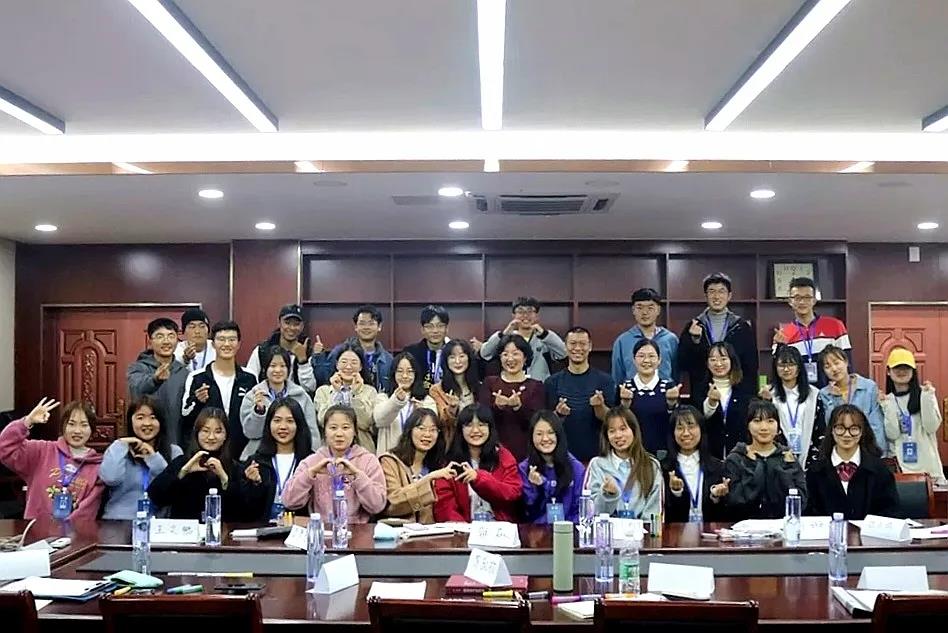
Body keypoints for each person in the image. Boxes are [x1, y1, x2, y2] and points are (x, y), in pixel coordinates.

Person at [0, 398, 103, 523]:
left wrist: (65, 530)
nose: (77, 430)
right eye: (71, 424)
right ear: (63, 426)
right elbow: (4, 447)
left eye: (84, 425)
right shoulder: (41, 451)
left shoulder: (97, 466)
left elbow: (87, 511)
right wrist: (27, 421)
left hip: (73, 532)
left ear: (92, 429)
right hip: (36, 531)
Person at [282, 405, 387, 522]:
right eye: (333, 428)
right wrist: (310, 474)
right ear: (325, 432)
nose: (339, 434)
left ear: (355, 432)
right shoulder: (312, 461)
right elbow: (289, 501)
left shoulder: (368, 461)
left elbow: (378, 505)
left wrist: (357, 476)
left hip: (358, 529)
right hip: (322, 528)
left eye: (345, 428)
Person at [147, 407, 244, 520]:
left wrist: (224, 478)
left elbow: (243, 510)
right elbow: (156, 496)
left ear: (225, 436)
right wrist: (183, 472)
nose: (211, 437)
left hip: (221, 529)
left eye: (218, 432)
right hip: (185, 529)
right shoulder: (181, 462)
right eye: (205, 431)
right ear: (197, 433)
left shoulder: (235, 467)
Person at [805, 404, 899, 519]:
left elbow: (890, 511)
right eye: (840, 428)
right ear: (832, 431)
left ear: (862, 431)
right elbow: (810, 515)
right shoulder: (816, 470)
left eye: (854, 429)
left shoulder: (879, 470)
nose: (847, 434)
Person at [433, 404, 522, 522]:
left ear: (490, 428)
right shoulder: (450, 462)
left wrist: (479, 478)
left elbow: (513, 493)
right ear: (460, 429)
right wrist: (464, 529)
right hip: (462, 528)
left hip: (498, 527)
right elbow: (445, 508)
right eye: (469, 425)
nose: (475, 430)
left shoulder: (503, 456)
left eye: (481, 425)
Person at [181, 321, 257, 459]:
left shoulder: (249, 378)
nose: (227, 344)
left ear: (239, 344)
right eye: (221, 339)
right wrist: (197, 401)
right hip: (205, 452)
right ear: (213, 344)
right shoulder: (197, 377)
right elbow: (185, 417)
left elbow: (253, 417)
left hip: (241, 453)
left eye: (232, 340)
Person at [100, 395, 182, 520]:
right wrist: (120, 444)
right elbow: (110, 478)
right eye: (140, 417)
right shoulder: (119, 449)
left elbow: (173, 489)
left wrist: (153, 458)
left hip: (159, 523)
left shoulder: (174, 452)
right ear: (130, 421)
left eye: (153, 418)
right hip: (119, 519)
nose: (147, 423)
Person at [723, 399, 807, 520]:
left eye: (770, 421)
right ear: (747, 425)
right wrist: (753, 467)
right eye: (757, 421)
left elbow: (801, 500)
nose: (764, 427)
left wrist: (785, 471)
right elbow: (734, 500)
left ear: (778, 426)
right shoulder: (736, 459)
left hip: (782, 525)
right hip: (744, 527)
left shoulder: (788, 457)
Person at [678, 273, 758, 397]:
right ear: (706, 296)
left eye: (721, 291)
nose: (716, 297)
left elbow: (751, 366)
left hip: (736, 392)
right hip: (703, 392)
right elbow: (683, 363)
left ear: (729, 296)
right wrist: (695, 342)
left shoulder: (741, 327)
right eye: (712, 292)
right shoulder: (694, 326)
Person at [544, 326, 616, 463]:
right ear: (565, 347)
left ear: (590, 347)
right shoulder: (552, 382)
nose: (577, 348)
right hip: (562, 457)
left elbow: (611, 420)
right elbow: (546, 423)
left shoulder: (605, 380)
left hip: (598, 457)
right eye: (573, 343)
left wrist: (599, 407)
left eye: (582, 344)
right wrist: (559, 414)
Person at [240, 345, 320, 460]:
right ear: (265, 369)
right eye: (273, 366)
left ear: (288, 369)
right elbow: (250, 433)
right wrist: (259, 412)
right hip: (261, 456)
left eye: (282, 366)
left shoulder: (301, 396)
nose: (277, 370)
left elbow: (312, 432)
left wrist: (313, 458)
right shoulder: (253, 396)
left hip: (296, 456)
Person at [241, 397, 315, 523]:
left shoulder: (311, 461)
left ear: (299, 424)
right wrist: (254, 484)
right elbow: (246, 510)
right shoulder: (256, 462)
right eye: (277, 420)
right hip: (264, 530)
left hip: (299, 529)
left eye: (290, 421)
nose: (283, 427)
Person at [379, 408, 457, 523]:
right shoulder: (390, 461)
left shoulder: (439, 465)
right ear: (409, 430)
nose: (427, 434)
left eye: (433, 430)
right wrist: (428, 479)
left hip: (430, 531)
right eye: (421, 428)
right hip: (399, 530)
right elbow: (393, 503)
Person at [881, 348, 946, 484]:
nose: (901, 371)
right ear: (888, 371)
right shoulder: (888, 400)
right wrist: (887, 406)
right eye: (897, 367)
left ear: (913, 371)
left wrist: (927, 398)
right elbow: (892, 434)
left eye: (906, 367)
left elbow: (931, 427)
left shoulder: (925, 394)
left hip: (930, 469)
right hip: (902, 470)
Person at [584, 406, 662, 518]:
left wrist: (642, 528)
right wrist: (608, 495)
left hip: (641, 528)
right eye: (612, 431)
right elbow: (592, 512)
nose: (618, 435)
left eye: (623, 429)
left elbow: (654, 510)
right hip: (607, 527)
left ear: (634, 430)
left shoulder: (651, 465)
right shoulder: (597, 465)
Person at [772, 277, 850, 388]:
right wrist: (779, 347)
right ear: (790, 301)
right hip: (801, 393)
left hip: (832, 392)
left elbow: (847, 363)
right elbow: (780, 370)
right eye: (797, 298)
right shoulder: (783, 334)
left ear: (814, 300)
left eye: (807, 297)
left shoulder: (835, 326)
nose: (802, 302)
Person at [478, 334, 545, 460]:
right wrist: (497, 407)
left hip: (526, 454)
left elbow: (538, 423)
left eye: (515, 354)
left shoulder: (536, 386)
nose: (510, 358)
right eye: (505, 354)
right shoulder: (490, 383)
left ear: (525, 357)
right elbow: (481, 419)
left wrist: (518, 407)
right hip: (494, 453)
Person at [758, 346, 826, 469]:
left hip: (810, 458)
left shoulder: (814, 394)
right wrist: (766, 402)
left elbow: (820, 429)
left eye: (791, 364)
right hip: (777, 459)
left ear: (799, 368)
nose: (786, 369)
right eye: (781, 365)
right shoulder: (769, 394)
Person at [661, 406, 730, 523]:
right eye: (680, 428)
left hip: (708, 531)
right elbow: (664, 510)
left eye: (691, 426)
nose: (686, 433)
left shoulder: (717, 466)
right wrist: (676, 492)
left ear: (701, 429)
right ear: (673, 433)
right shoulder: (664, 468)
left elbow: (724, 513)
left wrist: (716, 496)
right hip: (676, 532)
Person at [127, 317, 188, 446]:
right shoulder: (138, 368)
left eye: (171, 336)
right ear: (150, 341)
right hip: (145, 440)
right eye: (160, 336)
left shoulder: (184, 372)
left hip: (176, 441)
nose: (166, 341)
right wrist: (155, 379)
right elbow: (137, 387)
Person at [476, 297, 566, 381]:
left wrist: (544, 335)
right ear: (513, 315)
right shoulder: (507, 338)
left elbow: (564, 353)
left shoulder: (546, 338)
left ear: (537, 315)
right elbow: (485, 354)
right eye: (520, 311)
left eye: (530, 311)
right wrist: (503, 334)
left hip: (540, 386)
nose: (525, 315)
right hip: (511, 385)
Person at [518, 411, 585, 524]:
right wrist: (537, 487)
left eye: (550, 432)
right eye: (539, 434)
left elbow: (580, 509)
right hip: (536, 531)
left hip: (569, 529)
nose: (545, 438)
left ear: (558, 435)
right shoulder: (524, 468)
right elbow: (527, 512)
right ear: (531, 437)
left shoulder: (576, 467)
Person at [618, 339, 681, 457]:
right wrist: (625, 405)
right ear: (634, 360)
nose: (646, 360)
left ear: (659, 360)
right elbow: (618, 423)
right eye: (641, 356)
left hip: (662, 453)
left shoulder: (669, 387)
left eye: (651, 356)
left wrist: (671, 404)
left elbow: (675, 423)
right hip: (631, 453)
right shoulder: (624, 388)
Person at [818, 345, 885, 454]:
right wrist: (837, 398)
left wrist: (876, 453)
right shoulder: (824, 394)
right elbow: (830, 425)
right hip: (841, 452)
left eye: (836, 363)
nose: (834, 369)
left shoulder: (868, 387)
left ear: (846, 362)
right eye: (827, 366)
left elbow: (876, 424)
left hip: (867, 450)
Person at [312, 304, 393, 393]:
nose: (366, 327)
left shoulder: (388, 360)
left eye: (371, 323)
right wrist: (318, 355)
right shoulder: (340, 352)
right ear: (355, 327)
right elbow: (323, 379)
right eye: (362, 323)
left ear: (379, 326)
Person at [313, 344, 379, 453]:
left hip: (363, 450)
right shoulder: (323, 391)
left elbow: (365, 422)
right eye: (344, 362)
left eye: (354, 363)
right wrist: (336, 393)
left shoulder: (370, 391)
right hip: (331, 452)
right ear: (337, 365)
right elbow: (322, 421)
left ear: (361, 367)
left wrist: (355, 394)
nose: (348, 367)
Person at [373, 352, 437, 455]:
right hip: (390, 457)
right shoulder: (383, 398)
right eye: (400, 371)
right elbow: (380, 421)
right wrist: (396, 401)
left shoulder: (426, 400)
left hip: (418, 456)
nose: (405, 376)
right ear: (393, 374)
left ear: (416, 374)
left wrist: (422, 413)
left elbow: (433, 427)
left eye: (410, 371)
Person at [697, 342, 752, 458]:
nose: (718, 364)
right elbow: (698, 420)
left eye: (723, 359)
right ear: (707, 363)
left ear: (732, 361)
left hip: (740, 455)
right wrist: (711, 403)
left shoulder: (743, 389)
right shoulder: (700, 388)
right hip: (710, 455)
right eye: (713, 360)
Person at [244, 304, 317, 393]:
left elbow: (310, 388)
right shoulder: (262, 350)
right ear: (279, 323)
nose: (292, 328)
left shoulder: (308, 351)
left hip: (296, 399)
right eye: (287, 323)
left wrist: (303, 361)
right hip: (265, 398)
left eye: (296, 324)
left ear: (302, 326)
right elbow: (249, 381)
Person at [612, 288, 679, 384]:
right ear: (633, 310)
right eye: (640, 308)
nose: (645, 312)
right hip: (631, 393)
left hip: (665, 393)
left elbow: (676, 374)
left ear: (658, 310)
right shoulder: (622, 341)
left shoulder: (670, 339)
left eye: (650, 308)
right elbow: (617, 378)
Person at [428, 339, 481, 446]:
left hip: (477, 440)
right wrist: (452, 409)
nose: (457, 361)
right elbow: (440, 422)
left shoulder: (479, 387)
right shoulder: (437, 390)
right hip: (451, 444)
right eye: (452, 357)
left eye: (462, 356)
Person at [403, 305, 451, 391]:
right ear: (422, 330)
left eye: (440, 326)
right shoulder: (410, 353)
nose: (435, 331)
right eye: (429, 326)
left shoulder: (453, 353)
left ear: (447, 329)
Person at [174, 308, 216, 372]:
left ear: (208, 331)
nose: (197, 331)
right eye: (192, 327)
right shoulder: (176, 350)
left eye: (202, 326)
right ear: (184, 331)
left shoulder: (216, 347)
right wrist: (185, 359)